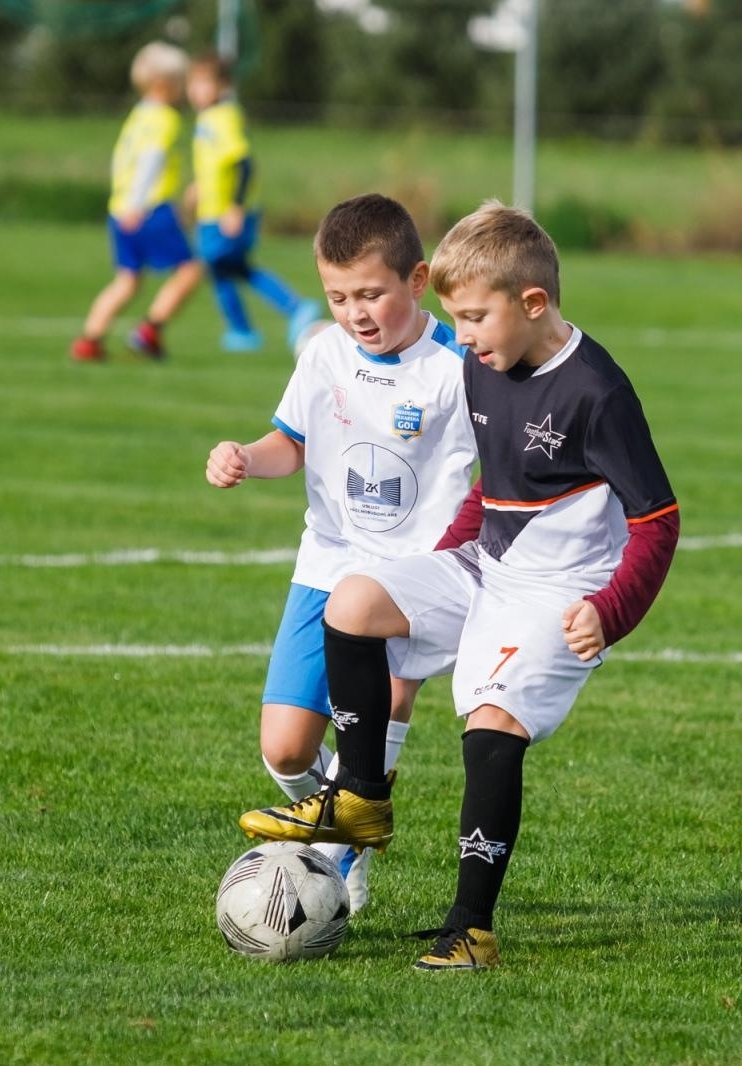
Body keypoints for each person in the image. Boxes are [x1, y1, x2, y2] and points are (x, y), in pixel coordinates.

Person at [238, 202, 680, 970]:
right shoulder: (485, 363)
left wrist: (610, 614)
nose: (463, 335)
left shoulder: (596, 393)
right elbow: (498, 485)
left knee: (492, 728)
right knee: (357, 600)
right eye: (455, 318)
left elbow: (659, 519)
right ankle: (363, 797)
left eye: (474, 317)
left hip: (560, 591)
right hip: (486, 566)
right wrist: (435, 566)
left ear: (532, 304)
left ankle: (470, 928)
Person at [206, 194, 477, 912]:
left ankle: (338, 847)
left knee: (386, 702)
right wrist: (243, 455)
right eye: (338, 295)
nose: (356, 311)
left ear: (417, 282)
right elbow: (288, 444)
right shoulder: (323, 352)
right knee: (285, 751)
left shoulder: (458, 365)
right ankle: (342, 816)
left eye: (371, 294)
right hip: (326, 566)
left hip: (409, 581)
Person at [70, 42, 202, 363]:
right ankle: (149, 331)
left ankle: (89, 340)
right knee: (190, 271)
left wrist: (125, 202)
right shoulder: (165, 119)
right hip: (148, 208)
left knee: (127, 280)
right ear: (164, 84)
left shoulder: (138, 115)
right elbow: (151, 160)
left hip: (120, 209)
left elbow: (123, 161)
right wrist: (138, 203)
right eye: (181, 82)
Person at [185, 52, 319, 353]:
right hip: (212, 213)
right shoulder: (207, 118)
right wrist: (199, 186)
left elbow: (243, 164)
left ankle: (277, 314)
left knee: (218, 266)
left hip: (227, 215)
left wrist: (235, 206)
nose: (195, 90)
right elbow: (216, 162)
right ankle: (249, 328)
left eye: (203, 83)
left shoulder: (224, 117)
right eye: (191, 83)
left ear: (222, 86)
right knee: (231, 269)